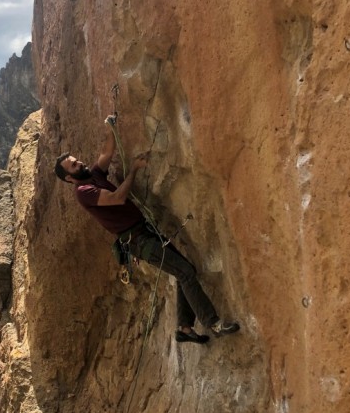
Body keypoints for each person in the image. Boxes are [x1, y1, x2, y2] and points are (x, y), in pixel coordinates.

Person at [54, 115, 240, 344]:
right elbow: (116, 198)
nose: (79, 163)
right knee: (185, 272)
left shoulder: (93, 175)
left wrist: (110, 127)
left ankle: (184, 327)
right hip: (139, 241)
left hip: (145, 232)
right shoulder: (84, 191)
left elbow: (106, 153)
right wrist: (133, 171)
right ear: (69, 178)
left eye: (76, 160)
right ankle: (214, 323)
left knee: (185, 270)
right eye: (73, 165)